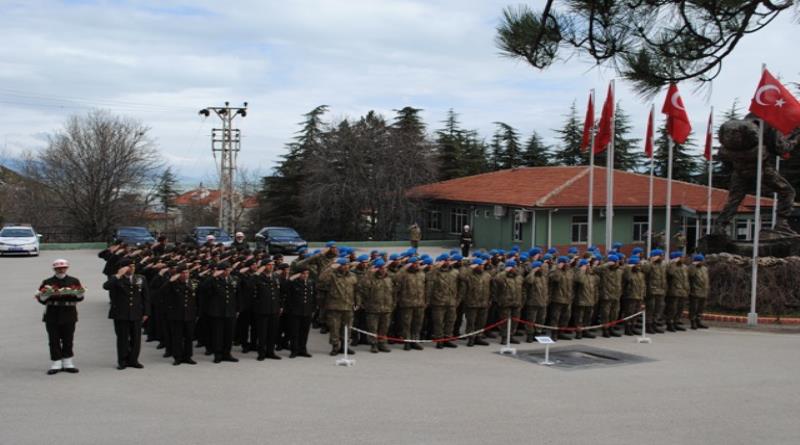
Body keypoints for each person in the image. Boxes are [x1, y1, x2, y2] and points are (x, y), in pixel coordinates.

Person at [36, 259, 85, 375]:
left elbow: (80, 297)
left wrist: (79, 293)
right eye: (58, 268)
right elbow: (40, 299)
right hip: (52, 313)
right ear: (54, 269)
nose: (61, 269)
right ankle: (56, 363)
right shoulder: (47, 281)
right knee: (54, 339)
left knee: (68, 338)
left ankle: (68, 362)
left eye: (63, 267)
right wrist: (45, 295)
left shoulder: (74, 280)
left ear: (67, 268)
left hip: (69, 313)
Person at [104, 258, 150, 370]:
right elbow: (106, 286)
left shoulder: (140, 278)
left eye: (133, 266)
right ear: (123, 268)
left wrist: (146, 312)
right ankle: (122, 361)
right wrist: (118, 275)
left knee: (136, 338)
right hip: (121, 313)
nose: (132, 268)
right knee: (122, 338)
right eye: (129, 266)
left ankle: (133, 360)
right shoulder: (115, 279)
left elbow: (146, 297)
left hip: (136, 313)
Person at [200, 262, 241, 363]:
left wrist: (237, 309)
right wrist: (213, 276)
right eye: (226, 270)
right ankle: (217, 354)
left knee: (229, 334)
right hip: (217, 311)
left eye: (229, 270)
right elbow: (202, 289)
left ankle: (227, 354)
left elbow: (238, 295)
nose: (228, 272)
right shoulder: (213, 280)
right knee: (217, 335)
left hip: (230, 311)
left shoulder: (233, 279)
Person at [161, 265, 199, 365]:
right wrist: (170, 281)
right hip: (176, 315)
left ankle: (188, 356)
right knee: (177, 337)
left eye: (187, 273)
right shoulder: (173, 283)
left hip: (189, 314)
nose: (186, 275)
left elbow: (198, 298)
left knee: (189, 337)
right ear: (178, 274)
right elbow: (162, 292)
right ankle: (177, 357)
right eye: (183, 273)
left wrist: (197, 312)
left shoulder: (193, 282)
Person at [321, 258, 359, 356]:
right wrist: (331, 268)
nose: (345, 266)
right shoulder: (333, 276)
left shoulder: (352, 276)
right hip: (335, 306)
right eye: (343, 265)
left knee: (347, 328)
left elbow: (356, 290)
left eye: (347, 265)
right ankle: (335, 347)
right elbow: (322, 278)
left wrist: (357, 302)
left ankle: (344, 346)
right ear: (339, 266)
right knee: (335, 328)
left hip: (348, 306)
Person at [360, 259, 395, 353]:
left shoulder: (388, 278)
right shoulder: (369, 279)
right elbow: (363, 289)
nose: (383, 269)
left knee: (384, 328)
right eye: (380, 268)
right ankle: (373, 344)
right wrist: (369, 273)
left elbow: (393, 292)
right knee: (373, 328)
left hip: (386, 308)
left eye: (384, 267)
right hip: (373, 308)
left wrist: (392, 304)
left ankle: (382, 343)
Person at [252, 260, 283, 360]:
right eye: (269, 265)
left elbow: (280, 293)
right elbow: (250, 285)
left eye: (273, 265)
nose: (272, 266)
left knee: (272, 332)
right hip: (262, 309)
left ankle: (270, 352)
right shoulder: (258, 277)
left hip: (274, 309)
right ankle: (261, 353)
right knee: (262, 333)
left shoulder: (276, 276)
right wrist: (257, 272)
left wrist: (280, 306)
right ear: (264, 266)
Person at [395, 257, 427, 350]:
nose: (416, 265)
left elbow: (425, 287)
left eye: (417, 263)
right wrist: (404, 268)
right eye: (414, 263)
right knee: (406, 324)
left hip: (419, 303)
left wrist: (425, 301)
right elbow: (396, 279)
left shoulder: (421, 273)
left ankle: (415, 341)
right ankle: (407, 342)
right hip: (407, 303)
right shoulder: (404, 274)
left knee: (417, 324)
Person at [428, 257, 459, 349]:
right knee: (439, 322)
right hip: (438, 302)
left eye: (448, 260)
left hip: (451, 301)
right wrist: (435, 267)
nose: (447, 262)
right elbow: (429, 277)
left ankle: (447, 339)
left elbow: (462, 282)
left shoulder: (454, 272)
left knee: (451, 321)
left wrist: (457, 298)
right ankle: (439, 340)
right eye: (445, 260)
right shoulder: (435, 272)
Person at [286, 267, 316, 358]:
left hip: (307, 311)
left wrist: (313, 309)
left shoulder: (311, 283)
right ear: (299, 274)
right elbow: (285, 288)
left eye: (307, 273)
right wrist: (292, 277)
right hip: (295, 311)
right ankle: (294, 350)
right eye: (303, 273)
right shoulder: (293, 283)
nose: (305, 275)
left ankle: (303, 349)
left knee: (304, 332)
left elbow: (314, 297)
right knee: (294, 332)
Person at [462, 258, 492, 347]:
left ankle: (478, 337)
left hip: (484, 302)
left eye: (482, 265)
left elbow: (491, 288)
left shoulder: (487, 275)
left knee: (481, 322)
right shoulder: (469, 275)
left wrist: (489, 299)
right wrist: (470, 268)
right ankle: (471, 338)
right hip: (472, 302)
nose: (482, 267)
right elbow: (461, 276)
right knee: (471, 322)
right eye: (479, 265)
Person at [494, 260, 524, 344]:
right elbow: (497, 279)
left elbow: (523, 289)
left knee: (515, 321)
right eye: (513, 267)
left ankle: (511, 336)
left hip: (517, 302)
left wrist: (522, 300)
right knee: (505, 321)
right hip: (505, 302)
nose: (515, 268)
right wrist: (505, 271)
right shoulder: (503, 277)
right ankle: (504, 337)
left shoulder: (519, 277)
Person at [523, 260, 548, 342]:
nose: (540, 269)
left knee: (541, 319)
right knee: (531, 319)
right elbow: (528, 281)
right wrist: (533, 271)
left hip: (543, 301)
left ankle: (538, 333)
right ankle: (530, 335)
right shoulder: (532, 276)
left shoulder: (543, 277)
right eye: (539, 267)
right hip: (533, 302)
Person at [664, 252, 690, 332]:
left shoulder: (685, 267)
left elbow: (686, 279)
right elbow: (670, 273)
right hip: (674, 290)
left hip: (683, 290)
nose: (683, 259)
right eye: (681, 257)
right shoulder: (671, 266)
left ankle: (676, 322)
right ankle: (670, 323)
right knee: (673, 308)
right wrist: (674, 263)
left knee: (680, 308)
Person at [688, 254, 710, 330]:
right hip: (695, 291)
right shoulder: (692, 268)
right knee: (694, 307)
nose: (703, 262)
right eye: (701, 260)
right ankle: (693, 321)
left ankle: (698, 321)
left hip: (704, 291)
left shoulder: (704, 268)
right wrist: (693, 265)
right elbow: (691, 274)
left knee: (701, 308)